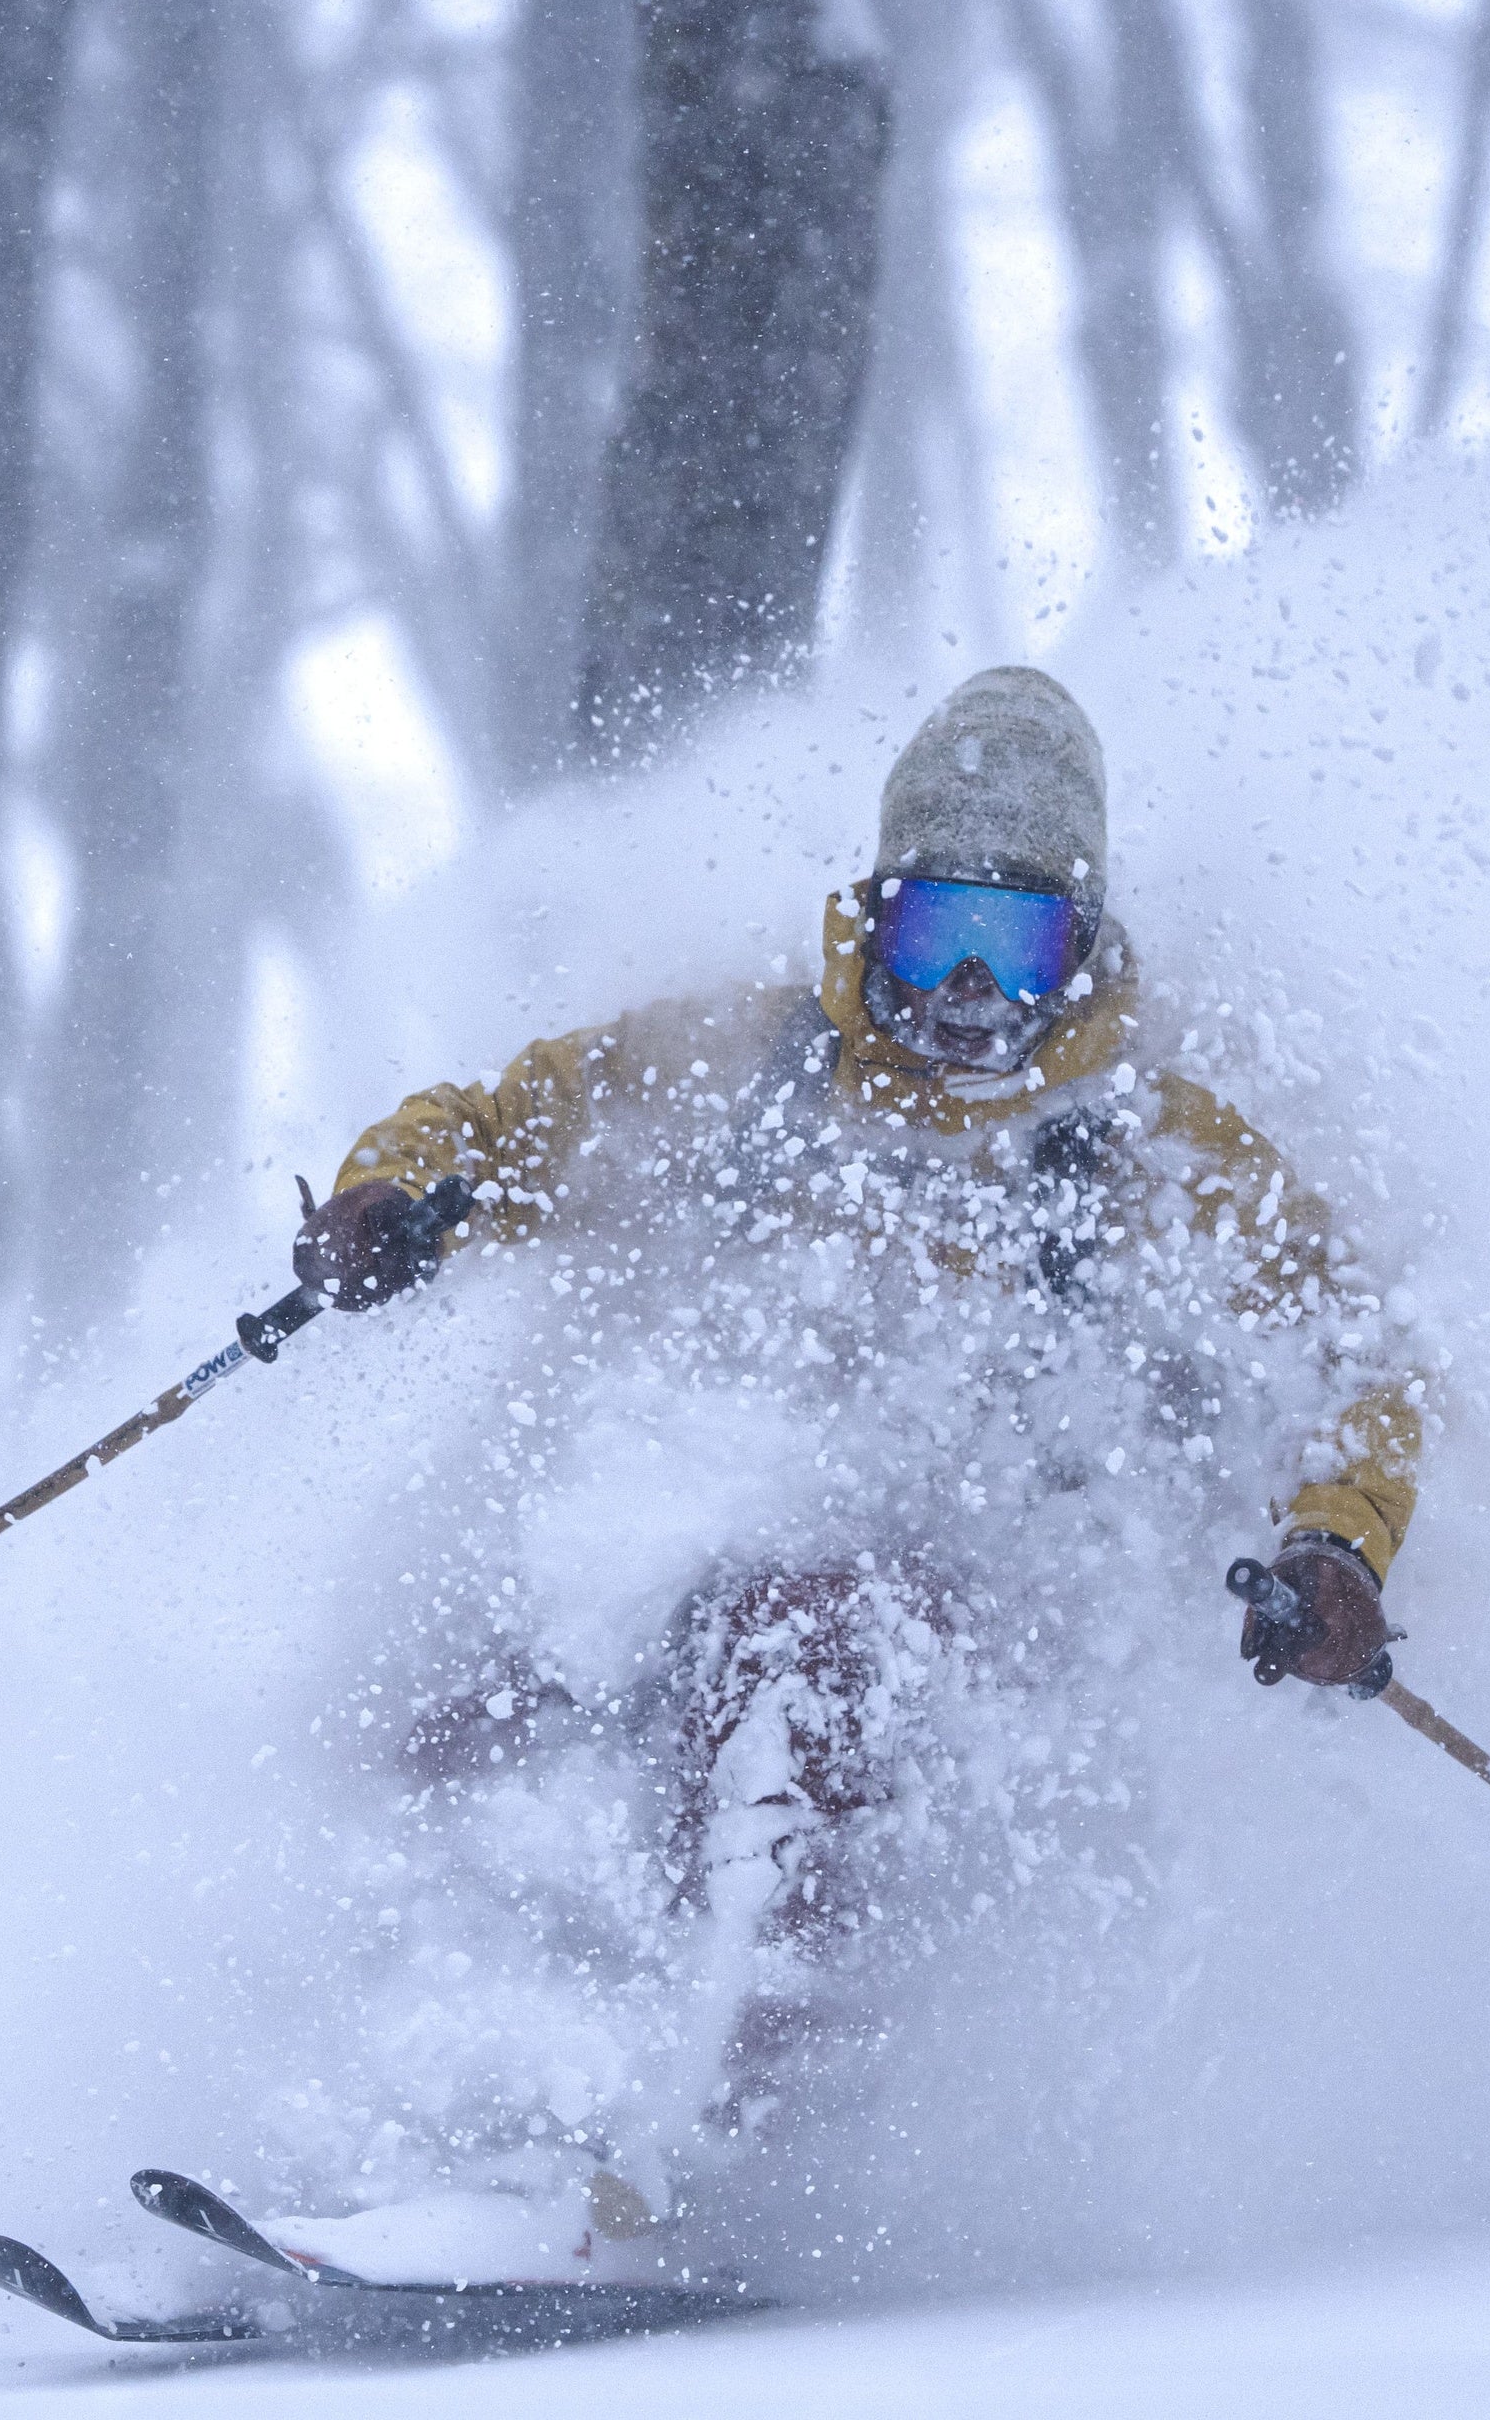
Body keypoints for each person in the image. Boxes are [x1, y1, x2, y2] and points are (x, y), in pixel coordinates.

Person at [281, 666, 1426, 2257]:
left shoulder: (1150, 1150)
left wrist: (1334, 1549)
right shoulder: (743, 1070)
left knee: (808, 1647)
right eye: (935, 928)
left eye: (1018, 941)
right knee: (471, 1702)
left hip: (1005, 1608)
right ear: (876, 915)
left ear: (1084, 949)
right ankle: (413, 2123)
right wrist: (397, 1201)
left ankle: (700, 2153)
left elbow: (1355, 1357)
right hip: (699, 1549)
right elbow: (503, 1124)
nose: (969, 985)